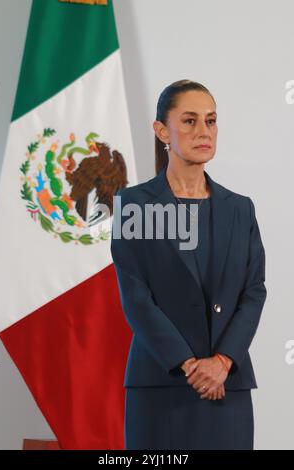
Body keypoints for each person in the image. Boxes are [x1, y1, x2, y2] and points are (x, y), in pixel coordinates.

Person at [111, 79, 267, 450]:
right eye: (190, 121)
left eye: (211, 121)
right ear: (162, 130)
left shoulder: (239, 207)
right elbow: (136, 296)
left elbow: (254, 291)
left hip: (227, 387)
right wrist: (189, 365)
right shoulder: (135, 205)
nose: (203, 132)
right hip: (161, 387)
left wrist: (223, 361)